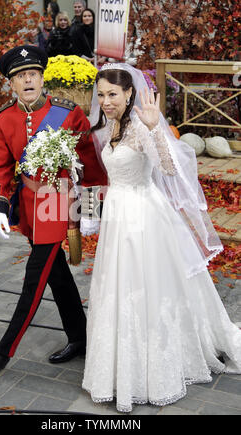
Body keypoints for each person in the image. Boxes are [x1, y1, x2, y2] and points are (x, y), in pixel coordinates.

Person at [81, 63, 241, 412]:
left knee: (145, 289)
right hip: (118, 217)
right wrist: (89, 212)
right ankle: (120, 366)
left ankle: (154, 370)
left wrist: (156, 130)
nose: (106, 101)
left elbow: (169, 169)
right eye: (102, 94)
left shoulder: (140, 128)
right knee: (117, 288)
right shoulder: (108, 127)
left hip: (142, 217)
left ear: (128, 93)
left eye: (113, 94)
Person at [0, 45, 107, 377]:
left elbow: (90, 164)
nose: (28, 80)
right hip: (29, 207)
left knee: (33, 282)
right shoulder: (5, 117)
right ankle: (80, 337)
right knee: (57, 275)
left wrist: (90, 208)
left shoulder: (68, 112)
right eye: (20, 76)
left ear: (42, 76)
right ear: (12, 84)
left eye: (32, 73)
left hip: (57, 203)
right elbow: (1, 166)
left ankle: (3, 353)